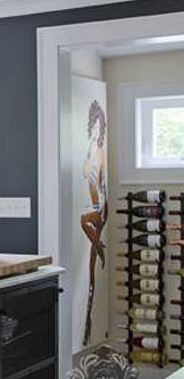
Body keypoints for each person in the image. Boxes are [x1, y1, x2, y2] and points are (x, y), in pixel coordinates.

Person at [79, 100, 108, 346]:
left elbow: (100, 185)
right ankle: (87, 323)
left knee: (82, 221)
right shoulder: (89, 149)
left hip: (100, 208)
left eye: (100, 127)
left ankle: (98, 246)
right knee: (91, 273)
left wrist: (99, 209)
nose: (97, 130)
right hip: (94, 207)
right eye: (94, 126)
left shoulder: (99, 152)